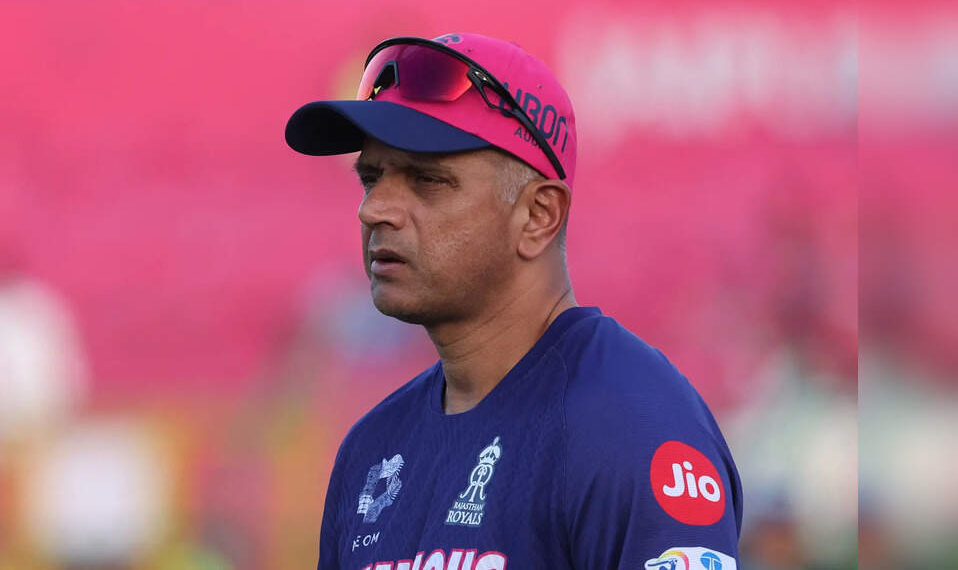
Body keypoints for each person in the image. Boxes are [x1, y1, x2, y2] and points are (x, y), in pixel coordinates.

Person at [285, 32, 742, 570]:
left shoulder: (629, 425)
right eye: (372, 178)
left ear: (538, 216)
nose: (374, 210)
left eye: (427, 180)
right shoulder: (370, 451)